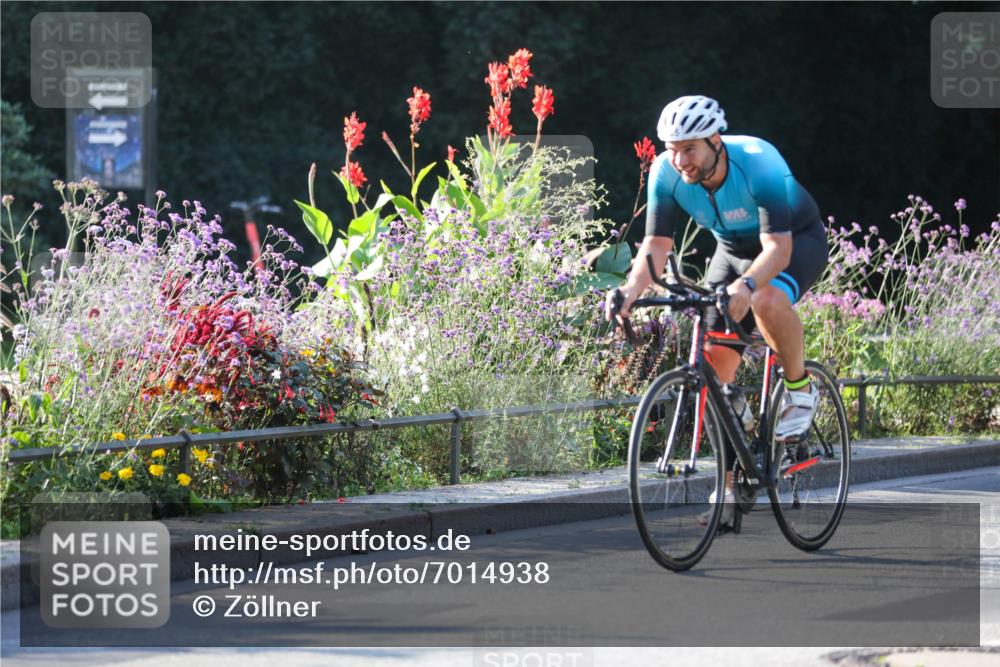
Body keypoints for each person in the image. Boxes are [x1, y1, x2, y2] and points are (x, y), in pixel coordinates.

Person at [605, 95, 829, 524]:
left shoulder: (758, 162)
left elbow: (777, 250)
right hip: (732, 251)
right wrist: (629, 291)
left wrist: (746, 286)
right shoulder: (666, 172)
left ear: (714, 140)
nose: (680, 160)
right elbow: (655, 247)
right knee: (712, 370)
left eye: (689, 148)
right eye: (672, 149)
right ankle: (727, 490)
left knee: (765, 299)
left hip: (794, 241)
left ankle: (800, 390)